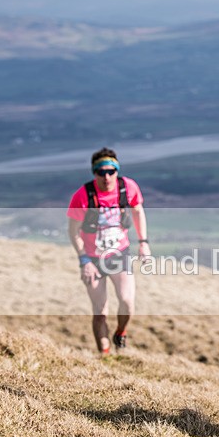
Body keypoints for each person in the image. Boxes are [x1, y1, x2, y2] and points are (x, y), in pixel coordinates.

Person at [67, 147, 151, 355]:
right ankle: (105, 356)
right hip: (92, 260)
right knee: (100, 311)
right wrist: (84, 260)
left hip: (119, 255)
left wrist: (143, 243)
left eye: (111, 171)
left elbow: (138, 212)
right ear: (94, 173)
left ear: (117, 170)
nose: (106, 176)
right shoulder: (83, 196)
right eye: (101, 172)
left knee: (127, 302)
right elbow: (73, 231)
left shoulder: (128, 188)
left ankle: (121, 332)